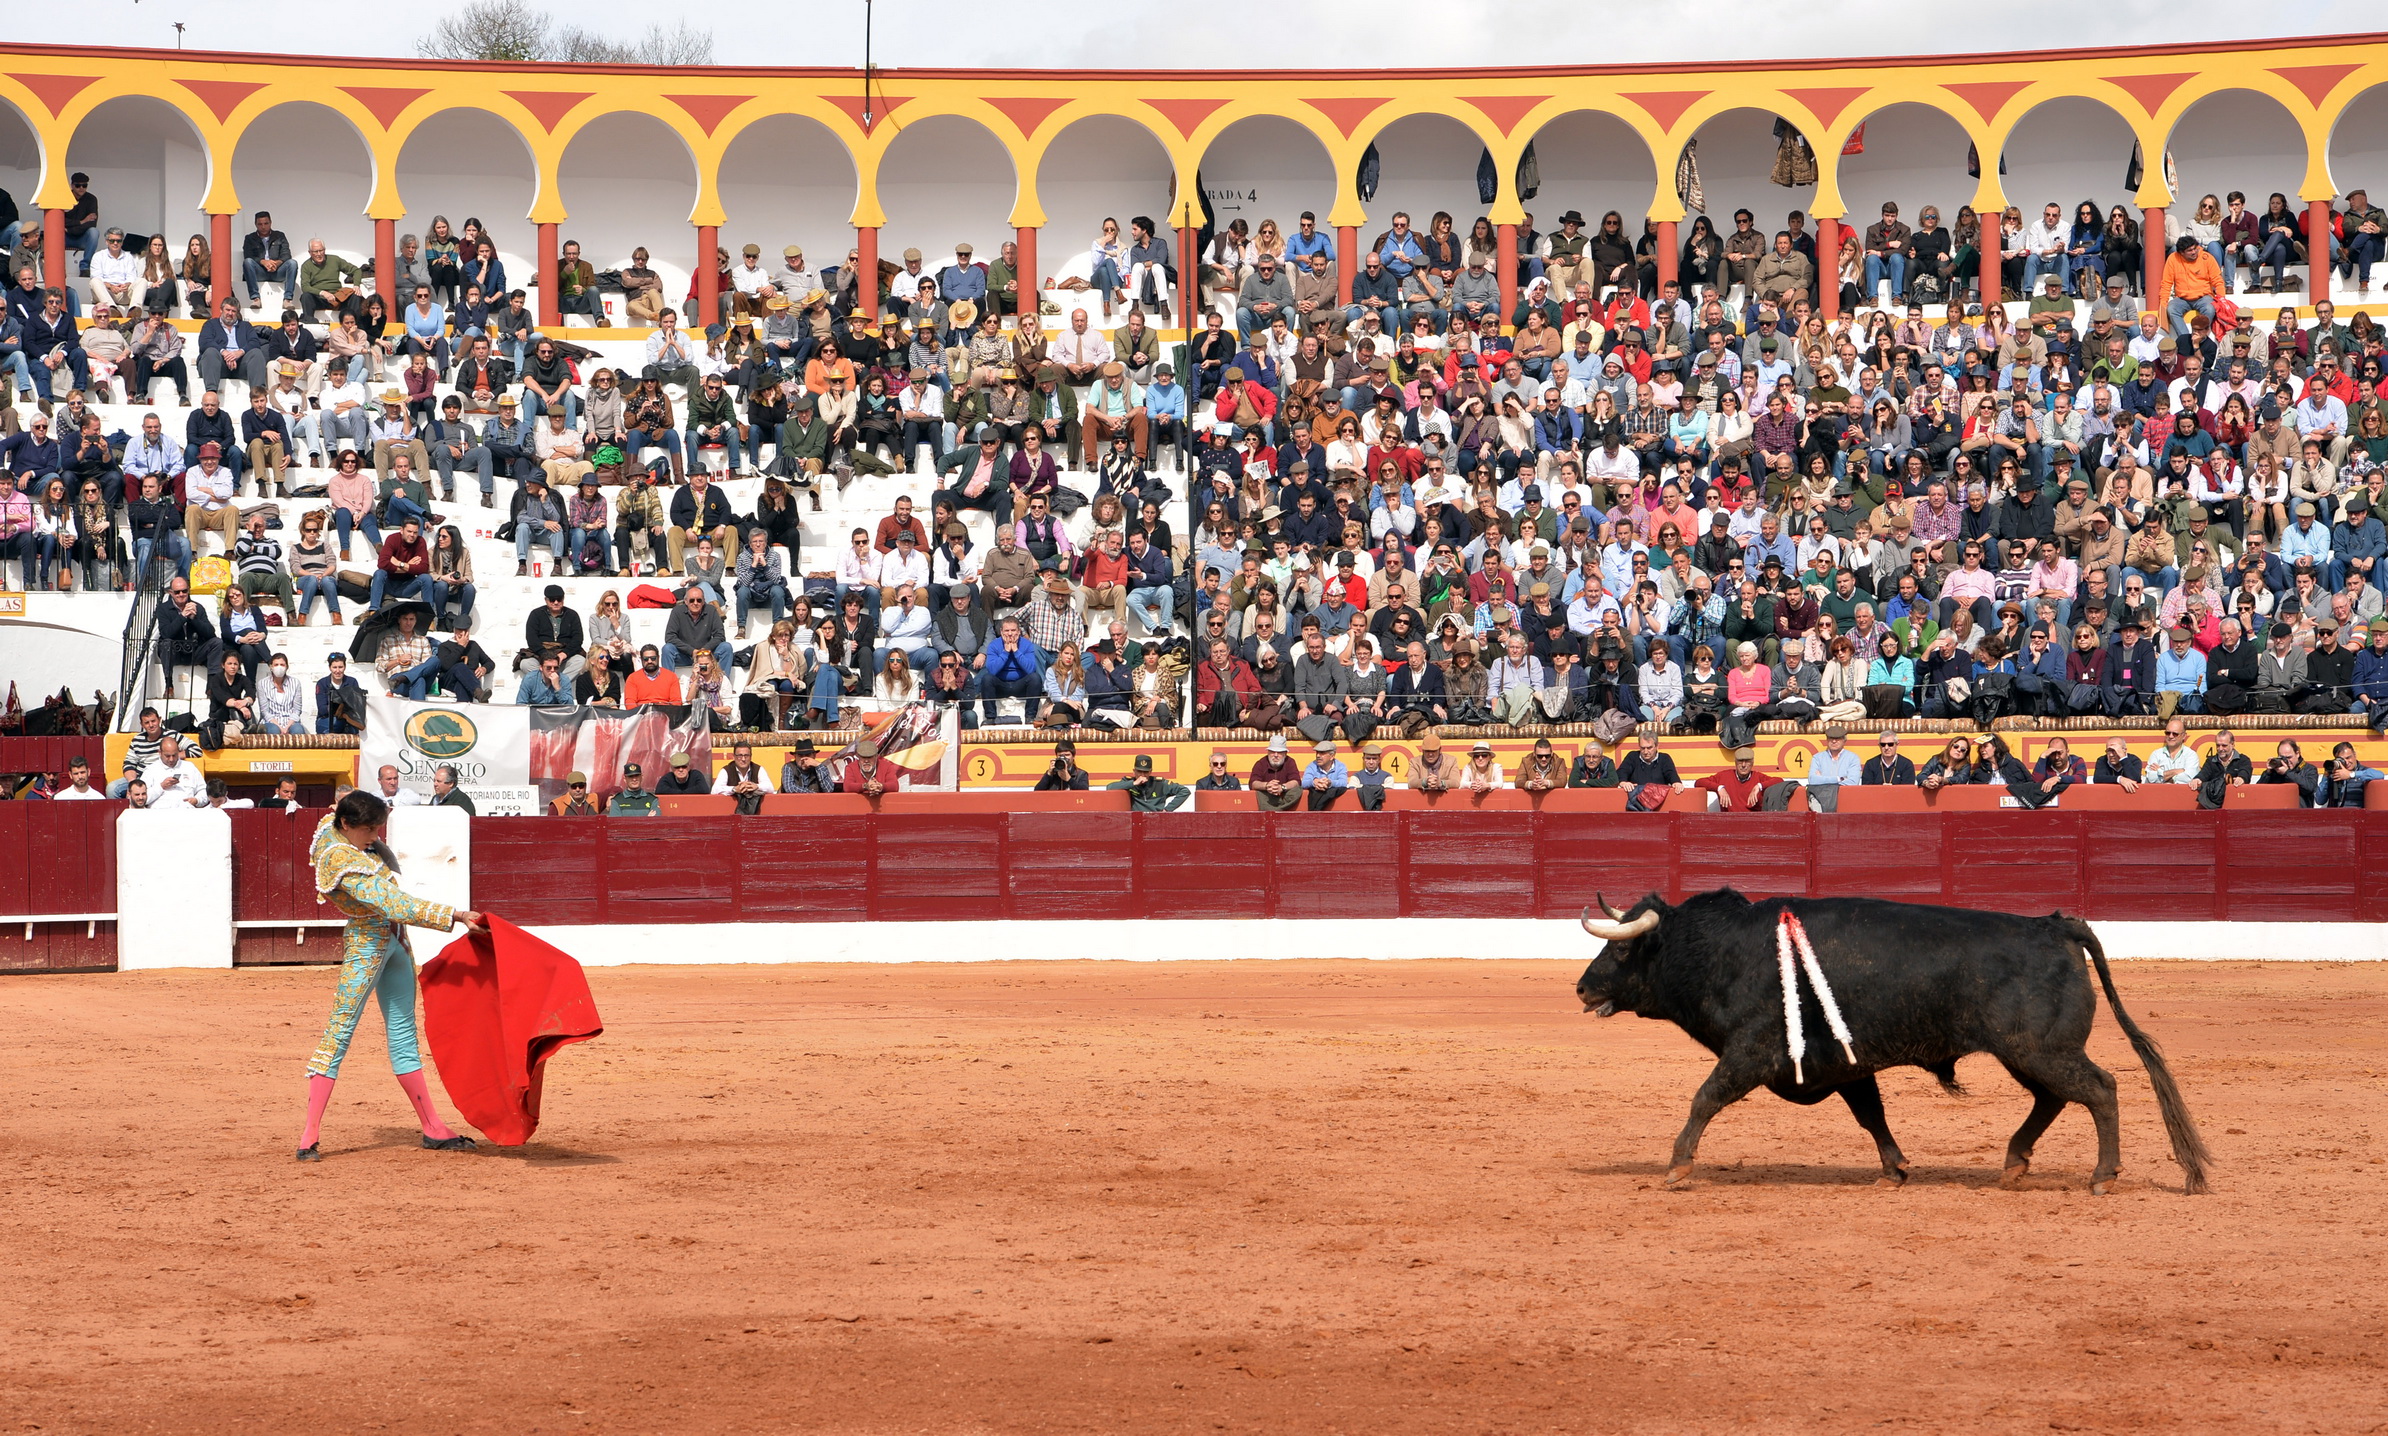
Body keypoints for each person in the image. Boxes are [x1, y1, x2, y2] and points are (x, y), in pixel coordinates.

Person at [294, 790, 489, 1161]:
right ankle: (309, 1135)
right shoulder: (339, 860)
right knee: (340, 1031)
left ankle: (432, 1127)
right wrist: (457, 915)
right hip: (367, 943)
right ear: (347, 825)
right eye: (368, 830)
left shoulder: (333, 826)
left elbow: (334, 813)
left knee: (403, 1034)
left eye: (377, 828)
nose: (374, 837)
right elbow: (392, 903)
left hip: (395, 941)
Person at [1107, 753, 1191, 812]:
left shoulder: (1160, 783)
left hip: (1156, 820)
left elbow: (1185, 791)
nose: (1142, 775)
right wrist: (1133, 783)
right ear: (1134, 771)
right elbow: (1110, 787)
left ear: (1150, 772)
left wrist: (1167, 809)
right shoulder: (1128, 782)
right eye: (1139, 771)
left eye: (1146, 772)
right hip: (1136, 821)